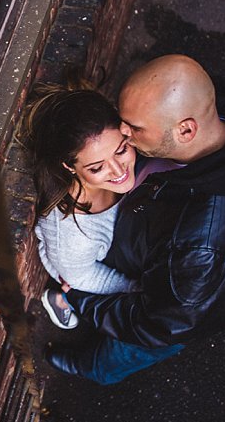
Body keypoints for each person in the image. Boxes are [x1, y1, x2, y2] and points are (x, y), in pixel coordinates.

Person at [49, 54, 225, 384]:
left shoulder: (205, 256)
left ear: (186, 129)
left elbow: (155, 326)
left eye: (135, 128)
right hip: (159, 264)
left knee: (122, 354)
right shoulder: (221, 115)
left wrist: (80, 298)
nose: (122, 133)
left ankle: (90, 368)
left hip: (176, 312)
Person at [20, 84, 156, 330]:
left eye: (122, 149)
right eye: (96, 167)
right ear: (69, 167)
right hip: (80, 271)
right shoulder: (73, 236)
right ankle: (64, 300)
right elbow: (83, 276)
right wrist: (137, 289)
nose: (118, 171)